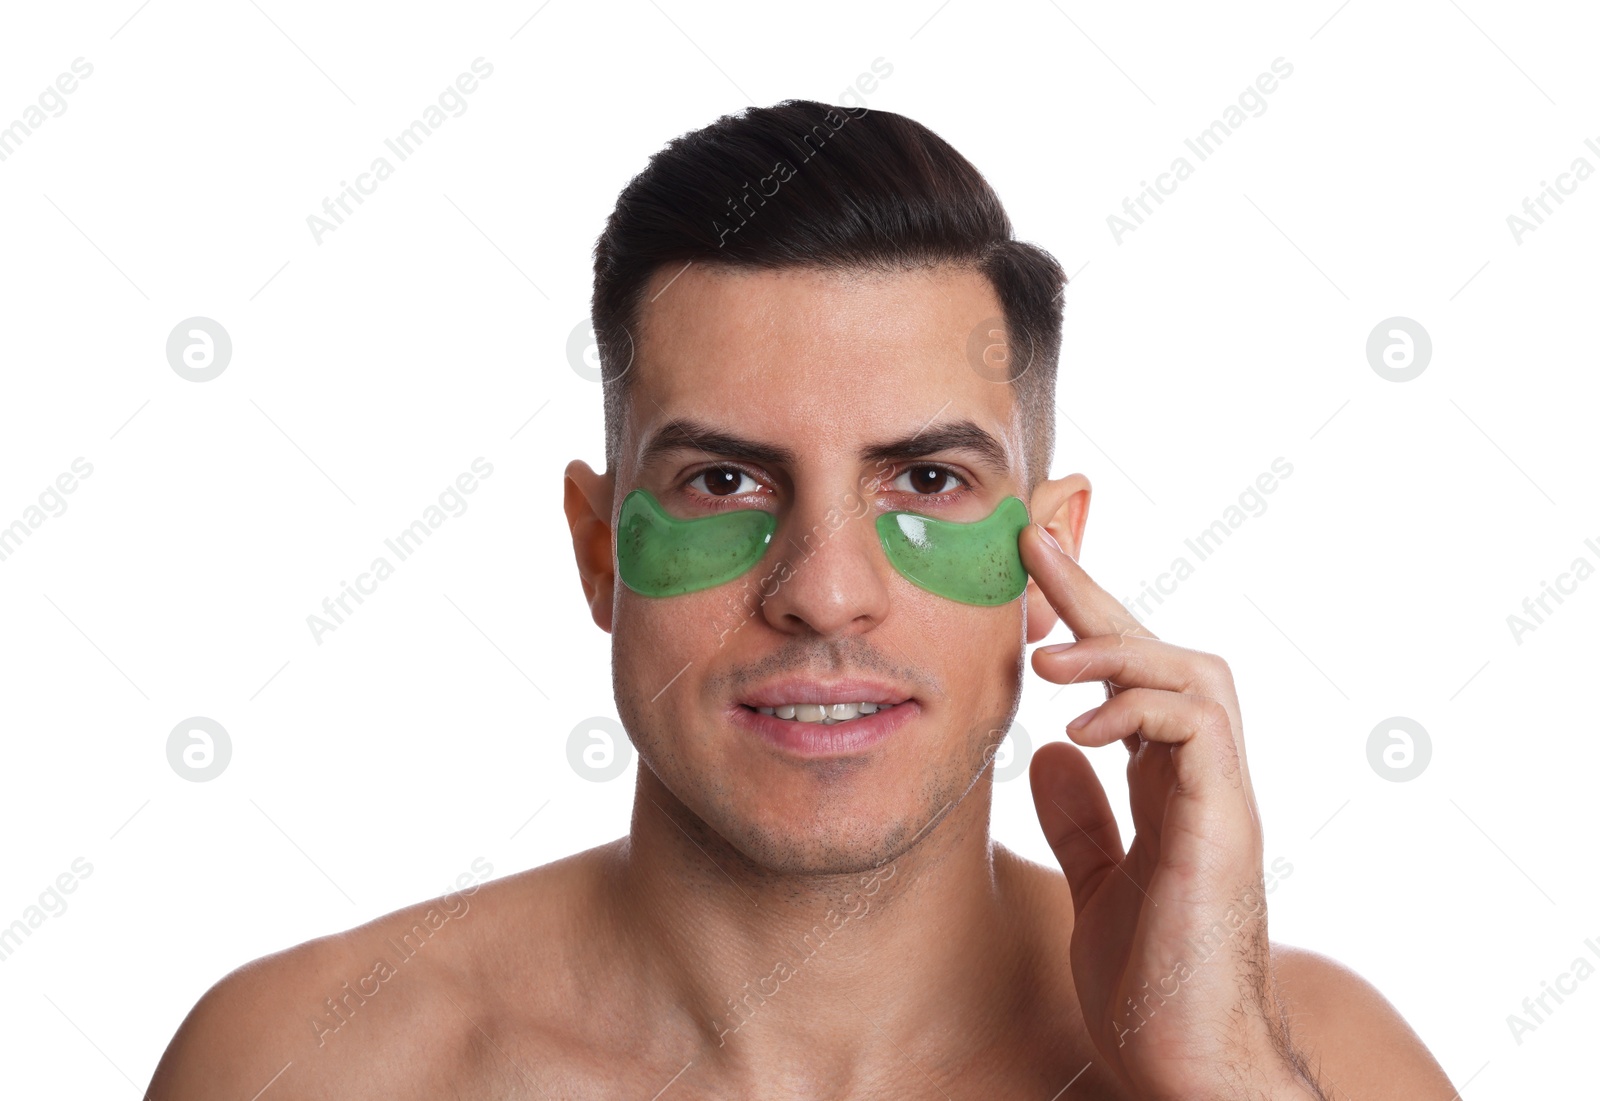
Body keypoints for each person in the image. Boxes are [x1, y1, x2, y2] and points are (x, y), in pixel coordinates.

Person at [148, 100, 1455, 1099]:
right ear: (600, 550)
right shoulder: (310, 1062)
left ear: (1048, 555)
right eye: (723, 479)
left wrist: (1220, 1069)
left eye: (929, 478)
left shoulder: (1311, 1059)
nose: (826, 589)